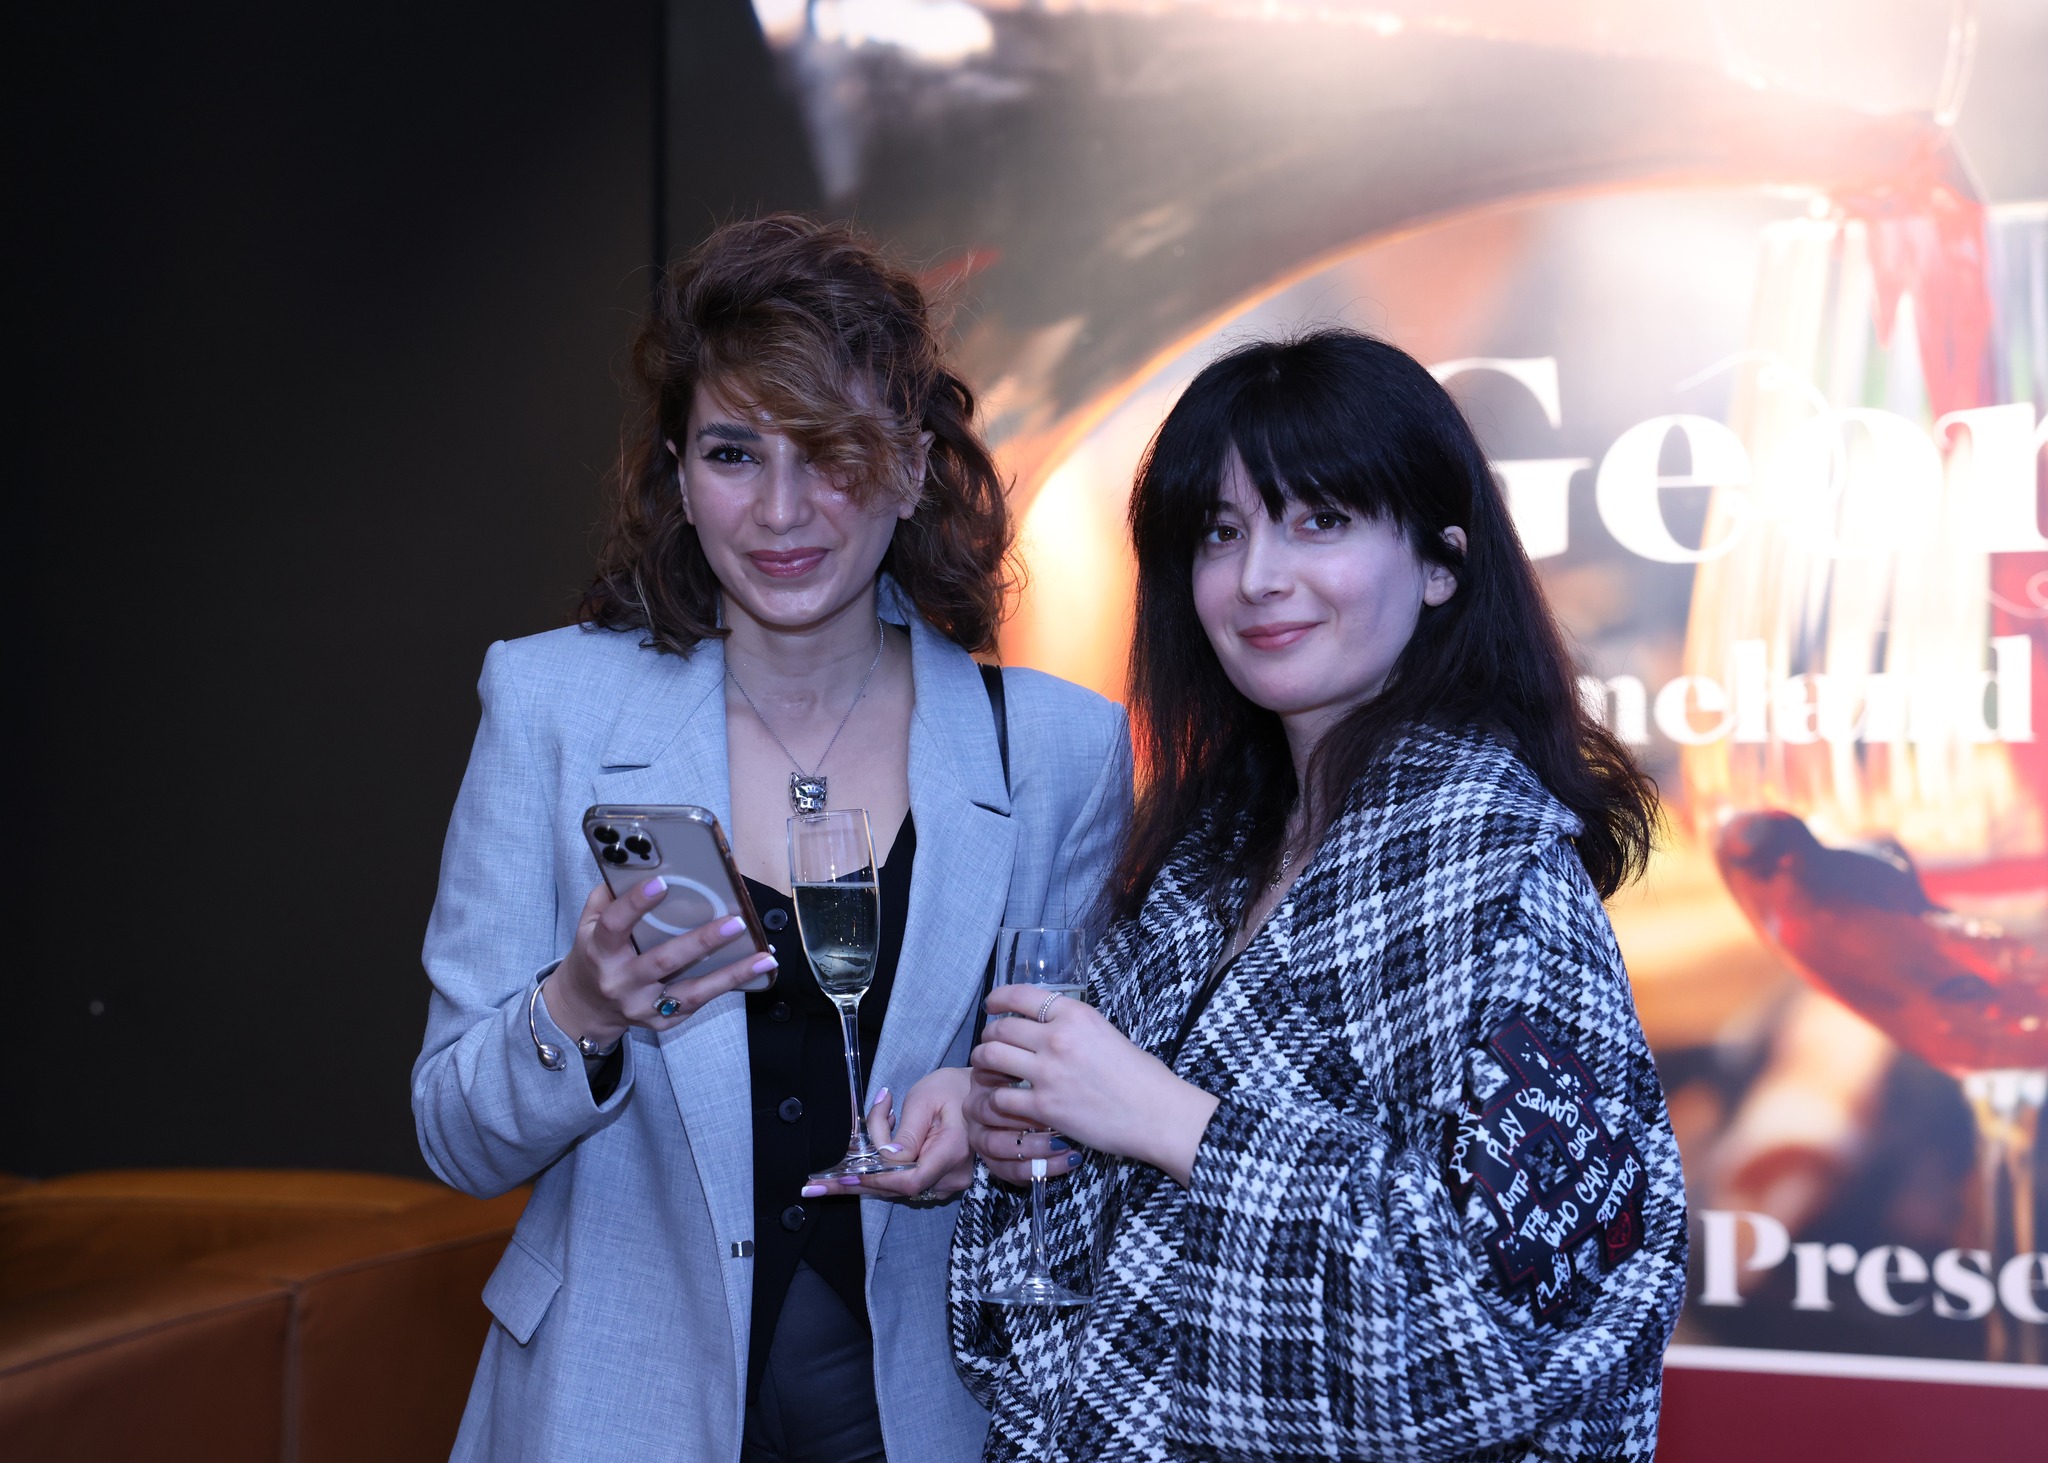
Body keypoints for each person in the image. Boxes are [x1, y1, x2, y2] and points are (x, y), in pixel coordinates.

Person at [413, 214, 1131, 1463]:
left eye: (832, 451)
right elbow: (454, 1136)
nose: (781, 510)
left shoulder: (1056, 750)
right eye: (735, 452)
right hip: (606, 1405)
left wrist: (992, 1115)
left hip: (926, 1409)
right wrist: (580, 1006)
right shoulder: (551, 707)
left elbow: (1095, 1121)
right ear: (679, 475)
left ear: (911, 468)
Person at [951, 329, 1685, 1461]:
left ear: (1440, 563)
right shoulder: (1207, 855)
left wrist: (1168, 1119)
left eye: (1320, 520)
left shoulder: (1493, 866)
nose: (1258, 576)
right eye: (1220, 531)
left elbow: (1505, 1326)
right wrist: (1023, 1136)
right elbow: (1070, 1276)